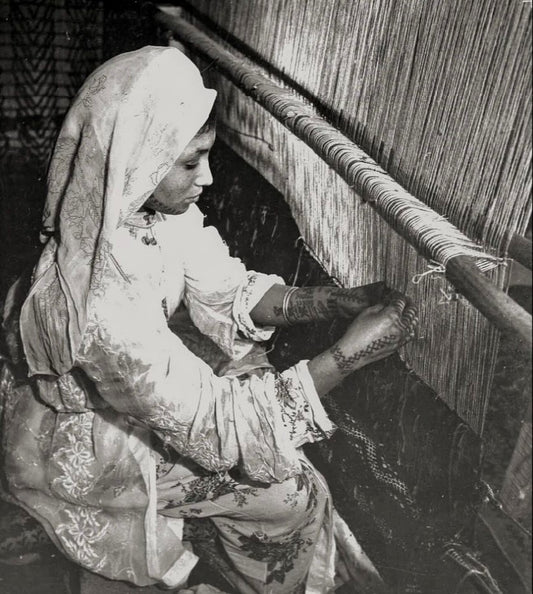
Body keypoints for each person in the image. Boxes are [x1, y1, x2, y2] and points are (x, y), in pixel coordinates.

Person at [0, 46, 418, 593]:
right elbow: (217, 425)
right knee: (293, 497)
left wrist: (338, 302)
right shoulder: (98, 301)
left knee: (256, 400)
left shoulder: (140, 207)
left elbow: (224, 289)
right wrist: (349, 354)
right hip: (87, 439)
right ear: (140, 158)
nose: (209, 179)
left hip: (117, 390)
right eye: (191, 161)